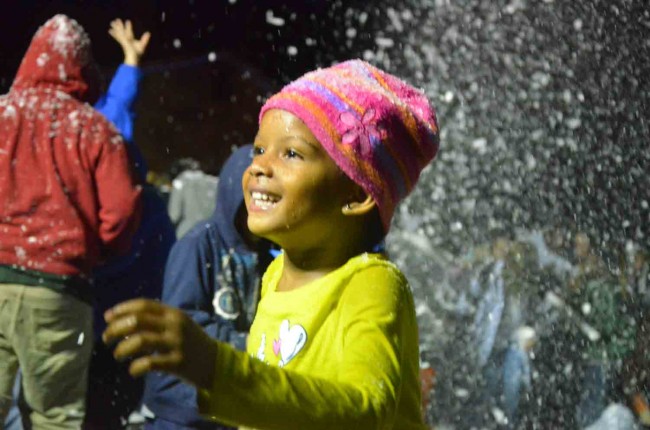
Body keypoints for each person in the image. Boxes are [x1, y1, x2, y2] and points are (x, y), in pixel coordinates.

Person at [103, 59, 440, 429]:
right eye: (259, 150)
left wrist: (217, 367)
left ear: (356, 194)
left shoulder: (371, 285)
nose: (259, 167)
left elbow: (367, 412)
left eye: (291, 153)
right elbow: (273, 400)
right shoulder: (276, 274)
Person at [0, 14, 141, 428]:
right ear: (82, 69)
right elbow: (120, 214)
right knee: (54, 416)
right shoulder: (96, 131)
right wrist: (90, 252)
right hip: (57, 291)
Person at [83, 19, 177, 429]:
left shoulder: (86, 134)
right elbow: (120, 102)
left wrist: (130, 62)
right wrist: (130, 61)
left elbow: (119, 103)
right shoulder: (152, 207)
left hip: (97, 307)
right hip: (130, 316)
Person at [142, 144, 275, 429]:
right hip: (182, 403)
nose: (259, 211)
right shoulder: (199, 245)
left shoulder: (268, 256)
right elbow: (182, 321)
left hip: (225, 402)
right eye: (252, 200)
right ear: (234, 196)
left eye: (269, 201)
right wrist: (248, 344)